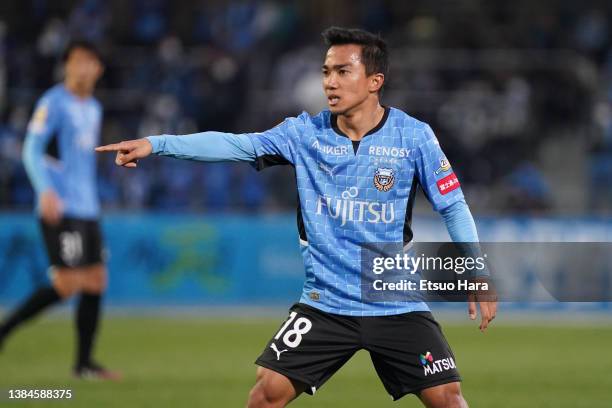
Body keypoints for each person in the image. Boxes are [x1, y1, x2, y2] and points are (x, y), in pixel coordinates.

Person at [97, 27, 497, 407]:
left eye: (343, 71)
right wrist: (156, 143)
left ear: (375, 81)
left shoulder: (413, 137)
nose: (330, 82)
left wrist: (475, 271)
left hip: (392, 301)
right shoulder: (304, 134)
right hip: (325, 305)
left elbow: (453, 205)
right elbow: (235, 145)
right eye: (326, 72)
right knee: (266, 393)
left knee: (447, 398)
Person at [0, 40, 119, 380]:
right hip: (60, 206)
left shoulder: (94, 107)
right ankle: (3, 331)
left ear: (98, 69)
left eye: (90, 62)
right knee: (68, 282)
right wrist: (46, 190)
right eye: (78, 61)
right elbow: (31, 149)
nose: (84, 68)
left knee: (96, 280)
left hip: (88, 208)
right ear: (67, 66)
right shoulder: (52, 102)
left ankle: (83, 365)